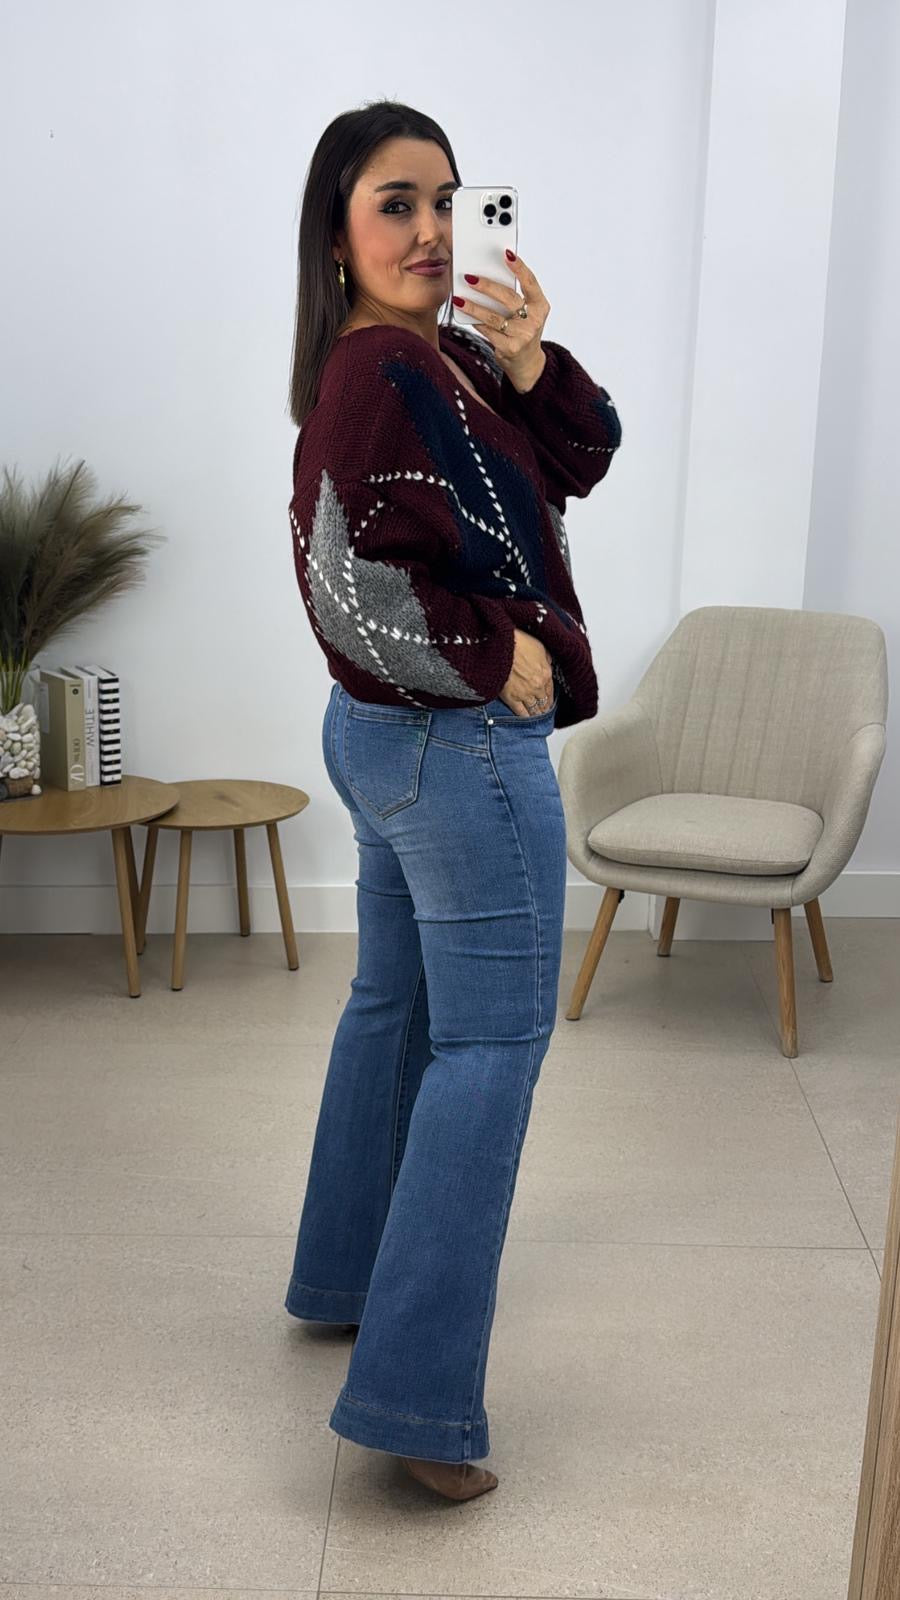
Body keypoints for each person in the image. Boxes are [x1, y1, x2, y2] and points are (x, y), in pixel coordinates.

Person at [283, 100, 622, 1502]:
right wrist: (497, 653)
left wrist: (532, 360)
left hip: (389, 746)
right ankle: (416, 1407)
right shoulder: (378, 371)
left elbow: (585, 455)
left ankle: (343, 1278)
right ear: (339, 237)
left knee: (398, 1009)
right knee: (491, 1045)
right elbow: (340, 579)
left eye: (446, 201)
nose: (430, 231)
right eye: (395, 205)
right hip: (454, 743)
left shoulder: (456, 355)